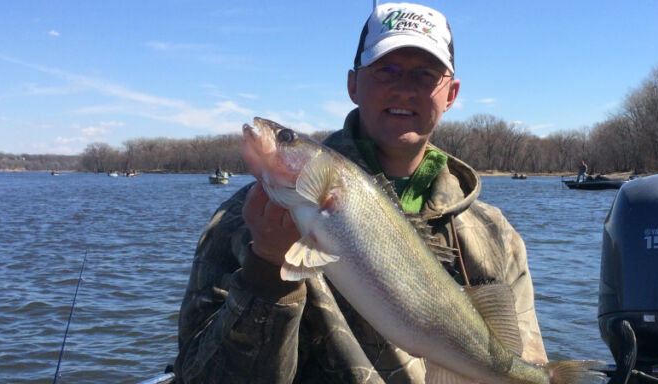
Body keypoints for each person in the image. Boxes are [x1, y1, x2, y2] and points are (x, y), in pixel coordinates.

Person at [175, 3, 549, 382]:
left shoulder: (496, 235)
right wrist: (267, 269)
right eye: (387, 70)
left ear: (450, 94)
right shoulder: (247, 221)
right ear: (353, 84)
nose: (404, 88)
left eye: (425, 75)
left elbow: (527, 360)